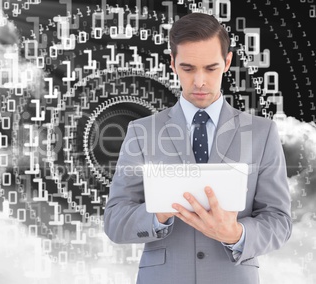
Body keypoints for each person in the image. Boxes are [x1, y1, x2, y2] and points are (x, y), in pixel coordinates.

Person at [103, 12, 292, 284]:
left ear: (227, 62)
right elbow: (115, 221)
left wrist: (237, 234)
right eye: (189, 68)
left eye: (211, 68)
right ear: (173, 63)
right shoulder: (142, 132)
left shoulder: (262, 133)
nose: (200, 81)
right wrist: (159, 214)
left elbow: (279, 221)